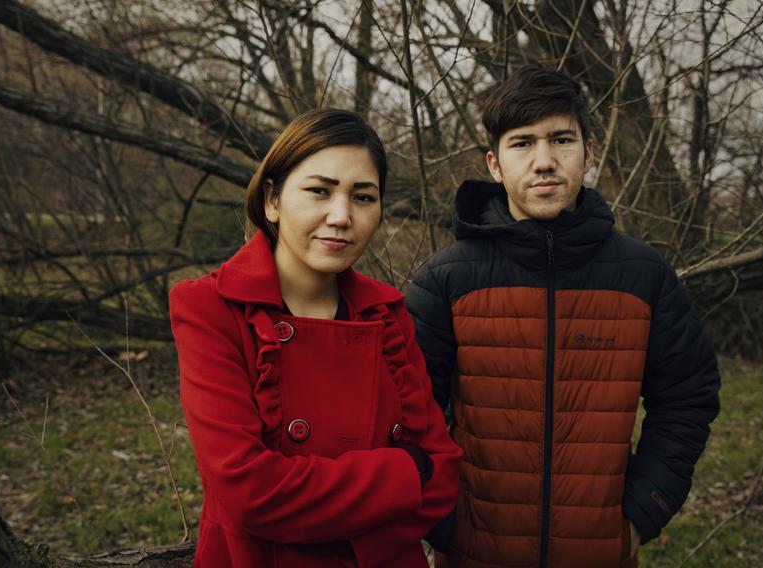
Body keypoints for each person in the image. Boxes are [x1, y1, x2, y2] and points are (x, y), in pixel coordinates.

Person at [405, 66, 721, 567]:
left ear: (588, 154)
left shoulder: (644, 276)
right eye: (523, 143)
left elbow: (689, 396)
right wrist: (441, 519)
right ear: (494, 164)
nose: (545, 161)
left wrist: (643, 511)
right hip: (474, 553)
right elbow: (405, 415)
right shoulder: (446, 279)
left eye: (561, 140)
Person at [170, 108, 462, 567]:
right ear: (272, 199)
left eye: (363, 197)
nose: (341, 216)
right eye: (319, 191)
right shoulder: (212, 309)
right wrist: (404, 475)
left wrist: (313, 514)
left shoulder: (386, 315)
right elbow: (248, 490)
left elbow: (441, 475)